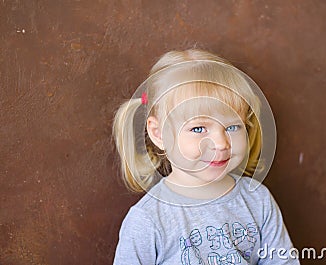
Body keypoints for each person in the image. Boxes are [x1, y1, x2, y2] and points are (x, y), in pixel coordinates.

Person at [112, 49, 300, 264]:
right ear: (158, 133)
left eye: (232, 126)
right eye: (199, 129)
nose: (220, 143)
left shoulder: (257, 200)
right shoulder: (148, 220)